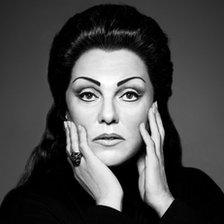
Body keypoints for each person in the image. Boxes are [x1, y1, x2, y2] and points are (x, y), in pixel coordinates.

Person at [0, 3, 223, 224]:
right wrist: (108, 201)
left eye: (129, 94)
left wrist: (164, 202)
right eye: (88, 95)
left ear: (155, 104)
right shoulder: (28, 207)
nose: (108, 115)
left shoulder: (199, 193)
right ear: (65, 109)